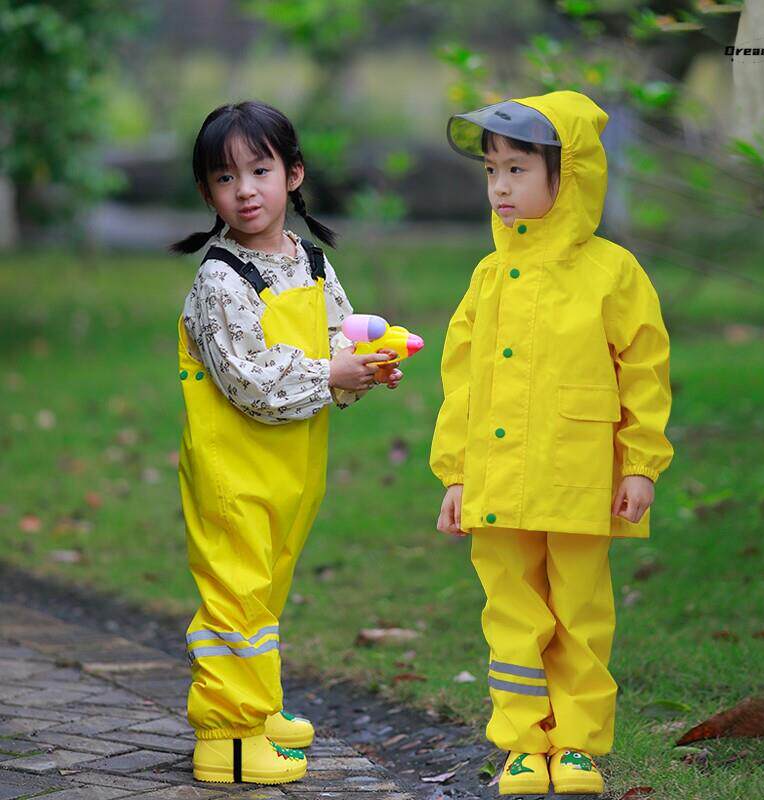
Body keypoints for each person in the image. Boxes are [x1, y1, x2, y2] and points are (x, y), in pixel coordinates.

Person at [430, 91, 673, 796]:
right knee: (510, 615)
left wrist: (643, 465)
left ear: (569, 176)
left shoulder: (613, 273)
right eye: (491, 172)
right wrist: (455, 475)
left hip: (579, 476)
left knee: (581, 615)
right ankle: (520, 745)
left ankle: (577, 746)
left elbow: (645, 373)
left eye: (517, 170)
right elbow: (463, 385)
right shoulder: (487, 276)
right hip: (499, 483)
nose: (500, 187)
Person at [172, 101, 402, 786]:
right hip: (232, 471)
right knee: (235, 598)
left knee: (266, 592)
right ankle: (227, 737)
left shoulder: (309, 263)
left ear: (293, 175)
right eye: (224, 177)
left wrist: (363, 363)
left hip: (292, 468)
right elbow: (247, 380)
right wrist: (329, 371)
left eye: (260, 170)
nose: (244, 189)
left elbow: (336, 341)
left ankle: (258, 707)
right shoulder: (220, 279)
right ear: (207, 192)